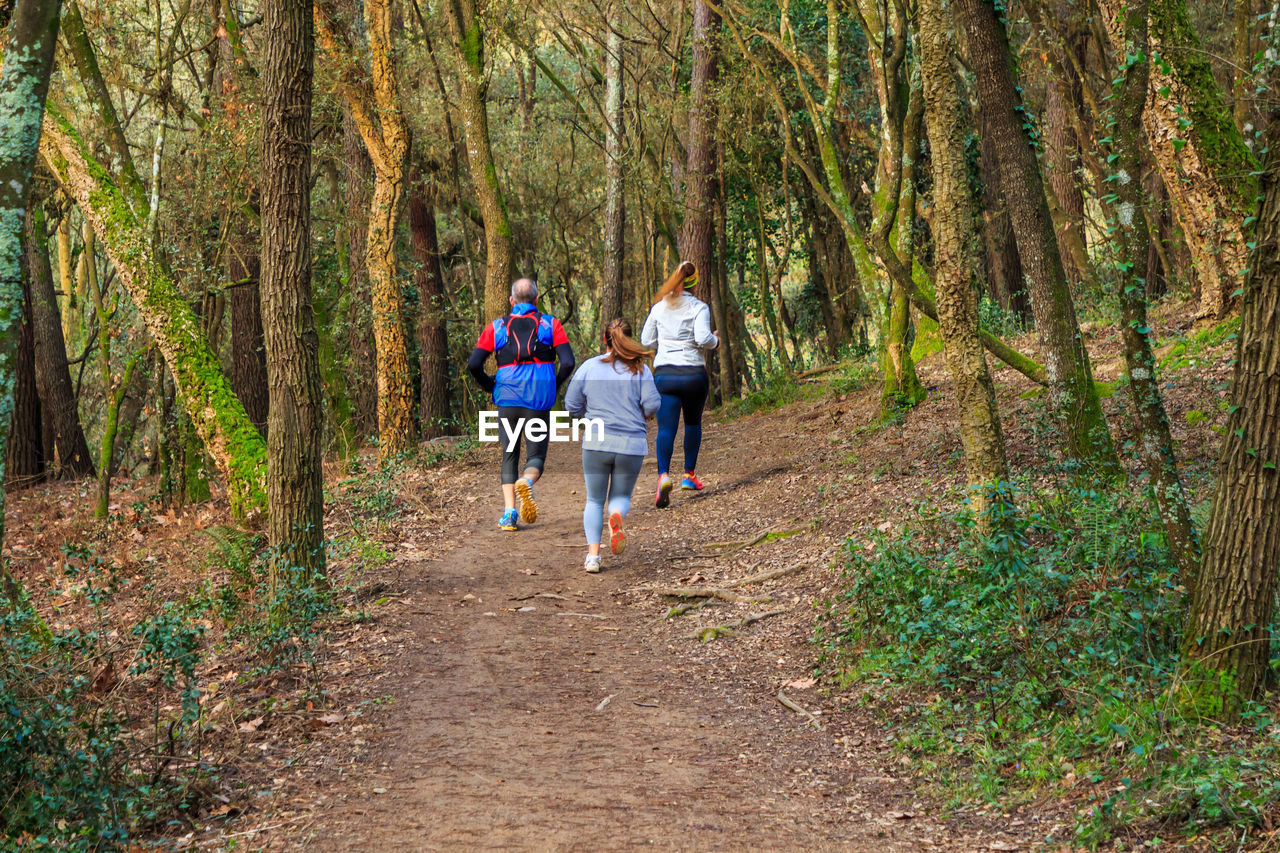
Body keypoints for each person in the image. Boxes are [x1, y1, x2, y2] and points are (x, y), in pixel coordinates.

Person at [468, 278, 575, 531]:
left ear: (511, 301)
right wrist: (553, 384)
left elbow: (474, 364)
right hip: (538, 399)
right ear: (537, 300)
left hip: (507, 397)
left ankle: (509, 514)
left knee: (509, 453)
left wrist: (490, 385)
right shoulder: (551, 324)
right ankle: (526, 481)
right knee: (535, 456)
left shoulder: (496, 327)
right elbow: (568, 362)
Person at [565, 318, 660, 573]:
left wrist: (586, 413)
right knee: (619, 497)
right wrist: (642, 413)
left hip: (596, 443)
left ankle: (593, 558)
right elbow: (652, 405)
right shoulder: (641, 370)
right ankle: (615, 517)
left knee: (595, 500)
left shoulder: (589, 367)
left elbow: (571, 405)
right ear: (629, 339)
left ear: (604, 340)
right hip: (631, 444)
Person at [640, 261, 718, 508]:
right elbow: (703, 338)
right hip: (693, 374)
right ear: (695, 284)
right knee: (693, 423)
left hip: (666, 375)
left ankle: (663, 475)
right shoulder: (699, 307)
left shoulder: (659, 307)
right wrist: (715, 342)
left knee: (666, 429)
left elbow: (646, 340)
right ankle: (688, 476)